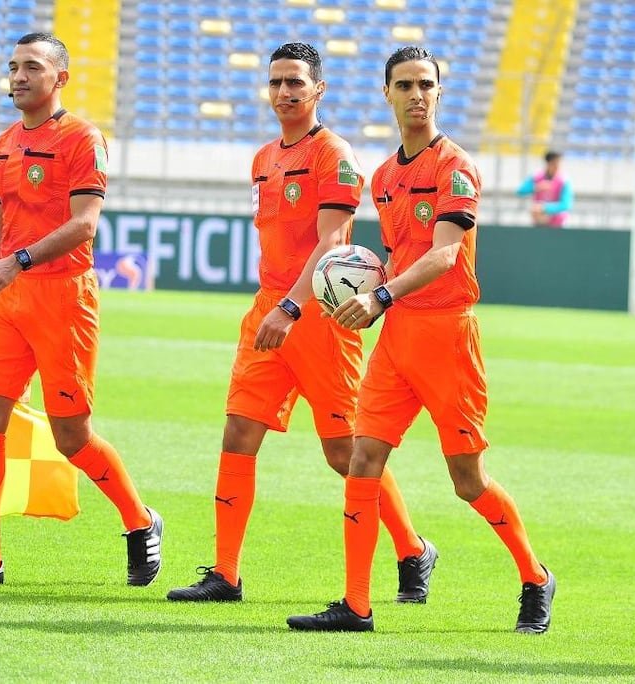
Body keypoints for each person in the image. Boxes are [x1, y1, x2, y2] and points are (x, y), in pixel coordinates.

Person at [287, 46, 554, 634]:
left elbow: (445, 254)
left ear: (439, 92)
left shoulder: (455, 167)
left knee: (467, 480)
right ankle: (356, 605)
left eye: (425, 85)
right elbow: (395, 255)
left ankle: (535, 577)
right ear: (387, 93)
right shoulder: (382, 178)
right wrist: (354, 289)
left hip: (448, 335)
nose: (415, 94)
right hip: (399, 334)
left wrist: (379, 296)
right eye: (404, 85)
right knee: (362, 459)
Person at [166, 43, 436, 604]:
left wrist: (289, 308)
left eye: (295, 82)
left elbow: (333, 241)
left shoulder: (333, 154)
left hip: (317, 314)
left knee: (345, 453)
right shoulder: (264, 158)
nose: (284, 92)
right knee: (239, 432)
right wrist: (274, 306)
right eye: (276, 83)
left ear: (318, 90)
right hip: (268, 308)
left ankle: (412, 549)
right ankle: (225, 573)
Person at [0, 32, 163, 586]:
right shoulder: (4, 142)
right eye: (13, 67)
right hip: (9, 303)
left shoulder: (83, 138)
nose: (19, 76)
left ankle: (140, 520)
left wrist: (17, 263)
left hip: (63, 298)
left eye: (32, 67)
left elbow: (84, 225)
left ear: (61, 78)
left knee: (72, 436)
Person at [515, 150, 573, 227]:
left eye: (559, 163)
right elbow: (520, 191)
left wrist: (545, 208)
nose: (558, 166)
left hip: (557, 223)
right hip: (539, 220)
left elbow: (566, 205)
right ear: (549, 163)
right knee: (534, 210)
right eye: (555, 163)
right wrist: (537, 187)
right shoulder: (537, 177)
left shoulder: (564, 181)